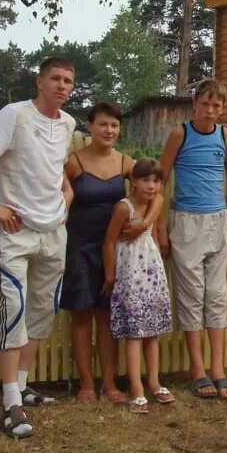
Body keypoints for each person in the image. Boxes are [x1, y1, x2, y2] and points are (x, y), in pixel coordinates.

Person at [0, 56, 77, 438]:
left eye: (68, 81)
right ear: (39, 81)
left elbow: (57, 169)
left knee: (44, 309)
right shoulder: (15, 115)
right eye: (55, 79)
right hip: (16, 231)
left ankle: (24, 384)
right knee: (13, 308)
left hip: (53, 233)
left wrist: (66, 198)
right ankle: (10, 400)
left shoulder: (68, 123)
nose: (62, 86)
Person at [62, 102, 162, 403]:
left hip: (117, 250)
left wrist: (145, 222)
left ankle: (110, 383)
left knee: (106, 315)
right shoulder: (74, 162)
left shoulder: (126, 164)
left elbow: (158, 190)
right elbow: (57, 195)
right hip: (80, 246)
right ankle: (86, 384)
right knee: (81, 315)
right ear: (89, 126)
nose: (109, 131)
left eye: (114, 126)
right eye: (103, 124)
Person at [155, 79, 227, 400]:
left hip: (218, 220)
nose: (210, 111)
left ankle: (218, 368)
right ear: (195, 104)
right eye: (205, 104)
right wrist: (160, 227)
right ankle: (197, 369)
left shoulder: (225, 136)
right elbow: (160, 181)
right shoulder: (180, 134)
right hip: (186, 222)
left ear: (222, 108)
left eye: (216, 106)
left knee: (216, 295)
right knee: (191, 294)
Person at [101, 158, 174, 412]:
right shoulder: (124, 208)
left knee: (152, 331)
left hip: (151, 271)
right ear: (133, 181)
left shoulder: (153, 203)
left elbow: (151, 233)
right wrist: (110, 275)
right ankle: (137, 390)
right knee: (134, 333)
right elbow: (109, 241)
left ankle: (154, 382)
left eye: (156, 181)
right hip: (130, 272)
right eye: (145, 180)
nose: (151, 186)